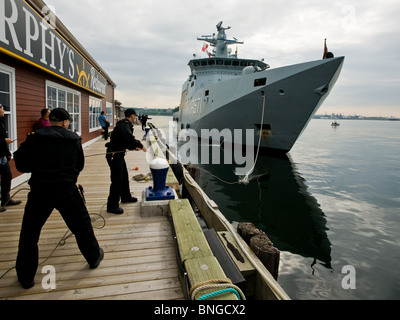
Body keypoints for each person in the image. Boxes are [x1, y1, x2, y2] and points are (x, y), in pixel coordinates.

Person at [13, 108, 103, 289]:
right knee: (82, 226)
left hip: (40, 191)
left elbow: (21, 163)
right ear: (65, 122)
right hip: (66, 191)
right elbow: (80, 165)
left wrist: (38, 168)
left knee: (29, 234)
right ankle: (93, 257)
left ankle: (26, 277)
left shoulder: (34, 137)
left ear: (50, 120)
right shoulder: (74, 140)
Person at [106, 108, 147, 214]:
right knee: (117, 179)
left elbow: (126, 142)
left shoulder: (124, 125)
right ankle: (112, 205)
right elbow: (129, 138)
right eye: (134, 116)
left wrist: (134, 147)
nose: (135, 118)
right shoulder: (124, 125)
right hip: (114, 155)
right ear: (131, 116)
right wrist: (140, 145)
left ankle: (125, 197)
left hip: (119, 155)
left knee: (124, 176)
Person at [0, 104, 22, 211]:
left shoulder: (1, 122)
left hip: (2, 155)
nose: (4, 110)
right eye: (2, 108)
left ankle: (6, 199)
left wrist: (8, 152)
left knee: (7, 177)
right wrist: (4, 141)